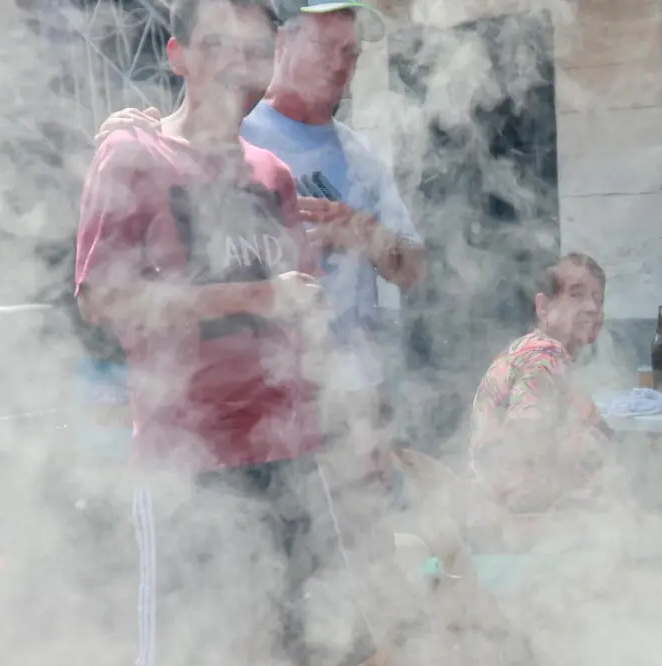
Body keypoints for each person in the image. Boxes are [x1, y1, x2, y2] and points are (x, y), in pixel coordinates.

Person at [73, 0, 395, 666]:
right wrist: (248, 297)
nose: (235, 64)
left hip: (289, 446)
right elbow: (102, 301)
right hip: (187, 458)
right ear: (178, 54)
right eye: (216, 45)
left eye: (253, 50)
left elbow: (302, 313)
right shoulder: (134, 157)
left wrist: (347, 422)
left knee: (324, 651)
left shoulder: (271, 174)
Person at [95, 0, 426, 494]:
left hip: (353, 394)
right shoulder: (233, 127)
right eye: (324, 47)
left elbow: (414, 270)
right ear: (282, 45)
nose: (339, 64)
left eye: (350, 52)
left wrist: (366, 233)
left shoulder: (362, 157)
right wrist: (128, 129)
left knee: (356, 550)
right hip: (243, 418)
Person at [469, 253, 611, 514]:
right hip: (517, 524)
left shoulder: (541, 353)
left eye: (598, 299)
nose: (592, 308)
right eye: (577, 295)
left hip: (504, 515)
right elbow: (523, 452)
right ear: (543, 308)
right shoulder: (543, 356)